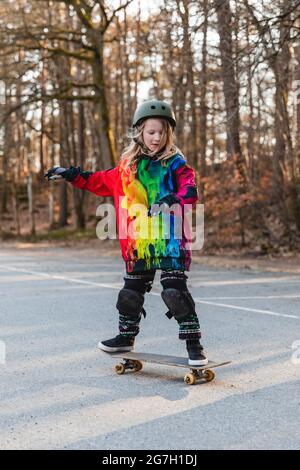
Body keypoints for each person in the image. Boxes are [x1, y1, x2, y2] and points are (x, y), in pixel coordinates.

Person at [45, 99, 208, 366]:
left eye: (162, 132)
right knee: (130, 293)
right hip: (139, 241)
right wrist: (70, 174)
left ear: (169, 134)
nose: (156, 138)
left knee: (174, 291)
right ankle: (125, 338)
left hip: (170, 239)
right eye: (151, 132)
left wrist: (174, 199)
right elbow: (97, 180)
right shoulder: (127, 168)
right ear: (140, 132)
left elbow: (190, 190)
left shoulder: (176, 164)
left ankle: (194, 346)